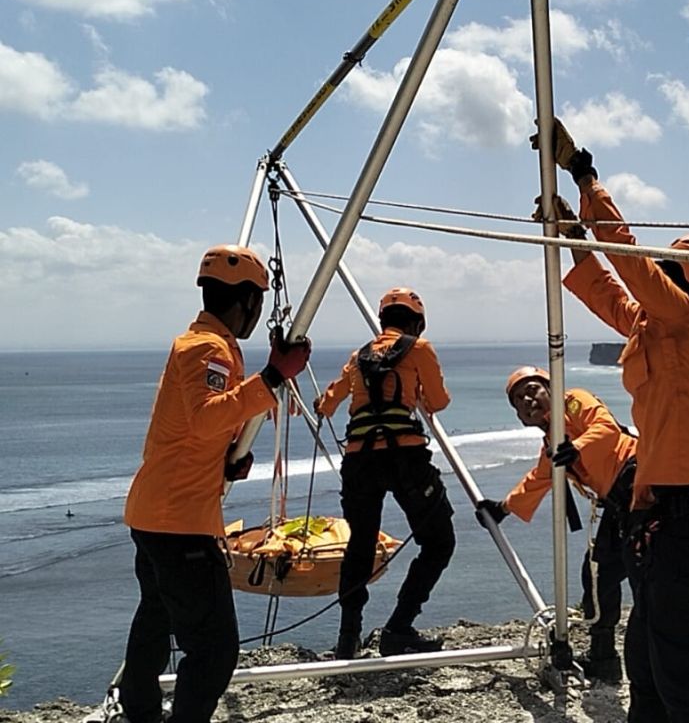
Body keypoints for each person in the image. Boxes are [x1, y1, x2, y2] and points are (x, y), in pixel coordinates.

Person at [532, 120, 689, 722]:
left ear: (685, 274)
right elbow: (609, 293)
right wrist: (573, 237)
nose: (653, 268)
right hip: (670, 522)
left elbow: (628, 262)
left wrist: (583, 172)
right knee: (649, 673)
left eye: (664, 265)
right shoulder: (656, 327)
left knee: (681, 681)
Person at [118, 245, 312, 723]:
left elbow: (190, 431)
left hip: (155, 512)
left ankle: (139, 710)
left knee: (156, 618)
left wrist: (224, 462)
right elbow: (206, 419)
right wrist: (272, 377)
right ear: (246, 299)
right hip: (179, 523)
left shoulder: (206, 344)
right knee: (214, 651)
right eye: (258, 301)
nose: (259, 312)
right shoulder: (207, 348)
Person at [315, 287, 454, 659]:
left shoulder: (358, 357)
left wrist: (321, 401)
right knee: (439, 541)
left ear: (382, 322)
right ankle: (399, 627)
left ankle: (348, 639)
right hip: (405, 456)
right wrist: (417, 393)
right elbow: (438, 402)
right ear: (416, 324)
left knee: (359, 545)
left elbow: (328, 403)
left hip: (359, 460)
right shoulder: (419, 349)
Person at [477, 367, 637, 682]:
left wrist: (576, 447)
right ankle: (604, 657)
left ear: (552, 388)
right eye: (518, 400)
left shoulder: (574, 401)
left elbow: (605, 428)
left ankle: (618, 657)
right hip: (622, 502)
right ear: (521, 418)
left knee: (617, 572)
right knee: (598, 574)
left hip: (641, 482)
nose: (527, 399)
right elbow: (540, 478)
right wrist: (503, 509)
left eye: (532, 390)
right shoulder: (552, 443)